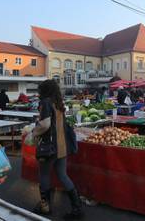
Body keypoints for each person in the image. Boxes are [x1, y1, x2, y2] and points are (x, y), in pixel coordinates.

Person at [32, 79, 83, 218]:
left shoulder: (46, 103)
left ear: (44, 90)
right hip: (62, 146)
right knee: (63, 175)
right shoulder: (58, 103)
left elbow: (45, 125)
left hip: (49, 146)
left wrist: (33, 132)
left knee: (43, 175)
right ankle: (77, 207)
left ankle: (45, 207)